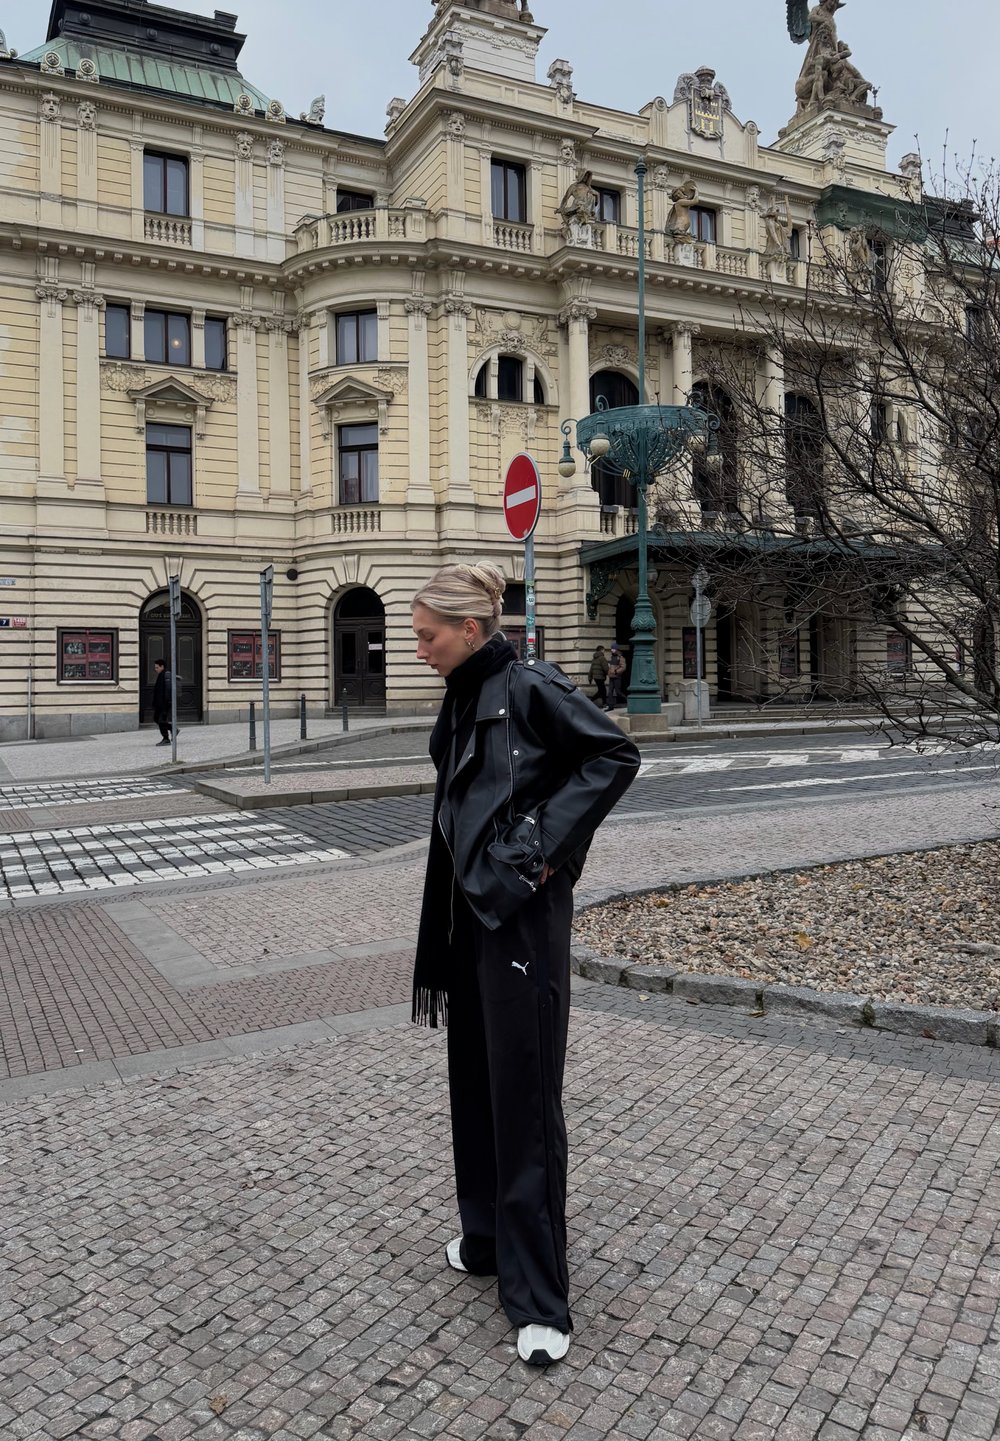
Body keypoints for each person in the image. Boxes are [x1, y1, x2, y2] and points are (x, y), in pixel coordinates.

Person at [410, 563, 639, 1366]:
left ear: (471, 630)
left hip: (520, 921)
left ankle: (541, 1298)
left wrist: (533, 853)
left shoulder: (530, 686)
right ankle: (485, 1237)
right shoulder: (465, 692)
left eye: (427, 635)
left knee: (526, 1096)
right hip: (469, 919)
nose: (417, 649)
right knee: (474, 1083)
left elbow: (612, 755)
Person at [151, 658, 177, 746]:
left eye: (157, 667)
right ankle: (173, 729)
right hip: (159, 704)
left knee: (161, 721)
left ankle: (166, 739)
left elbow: (167, 691)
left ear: (162, 667)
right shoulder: (161, 675)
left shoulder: (166, 676)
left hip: (164, 704)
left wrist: (166, 703)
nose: (155, 669)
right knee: (156, 719)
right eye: (155, 667)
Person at [604, 643, 626, 710]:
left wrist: (616, 671)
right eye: (611, 649)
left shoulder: (620, 657)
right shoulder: (612, 657)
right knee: (610, 692)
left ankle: (628, 700)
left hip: (617, 677)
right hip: (611, 677)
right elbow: (611, 667)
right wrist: (609, 673)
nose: (612, 650)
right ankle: (610, 706)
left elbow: (623, 667)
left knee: (618, 692)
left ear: (616, 649)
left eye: (613, 649)